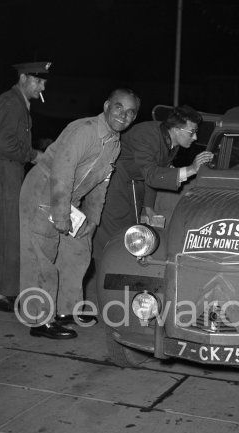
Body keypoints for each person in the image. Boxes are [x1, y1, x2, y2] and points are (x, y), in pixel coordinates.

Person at [18, 88, 140, 339]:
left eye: (130, 112)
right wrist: (61, 214)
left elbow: (100, 184)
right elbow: (61, 173)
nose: (123, 115)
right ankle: (40, 319)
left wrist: (93, 219)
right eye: (119, 107)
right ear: (107, 106)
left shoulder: (114, 144)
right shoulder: (84, 131)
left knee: (78, 249)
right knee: (43, 254)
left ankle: (66, 309)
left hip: (68, 198)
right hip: (44, 190)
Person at [92, 105, 213, 270]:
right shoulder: (148, 135)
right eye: (191, 132)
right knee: (114, 237)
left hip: (133, 182)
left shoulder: (171, 141)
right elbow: (152, 175)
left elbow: (154, 172)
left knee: (132, 232)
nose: (195, 137)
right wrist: (191, 169)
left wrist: (148, 207)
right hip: (113, 182)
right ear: (177, 129)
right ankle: (106, 276)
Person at [0, 61, 50, 313]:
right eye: (38, 80)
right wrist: (34, 155)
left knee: (10, 235)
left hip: (7, 171)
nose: (43, 86)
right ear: (23, 78)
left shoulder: (18, 103)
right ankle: (0, 295)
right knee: (6, 235)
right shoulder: (12, 103)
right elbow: (2, 144)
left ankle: (4, 291)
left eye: (44, 82)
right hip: (3, 172)